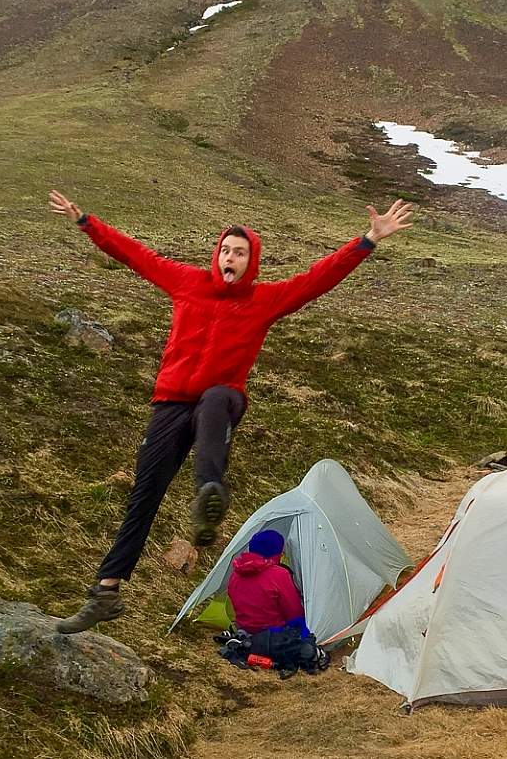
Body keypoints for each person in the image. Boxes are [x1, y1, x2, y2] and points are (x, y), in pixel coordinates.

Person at [47, 189, 413, 633]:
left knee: (217, 395)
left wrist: (367, 241)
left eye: (240, 253)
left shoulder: (265, 300)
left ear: (250, 261)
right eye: (225, 250)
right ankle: (106, 592)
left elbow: (319, 278)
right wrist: (86, 220)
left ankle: (209, 493)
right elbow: (133, 254)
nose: (230, 257)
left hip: (221, 405)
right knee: (143, 496)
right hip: (170, 405)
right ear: (215, 255)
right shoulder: (186, 282)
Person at [224, 529, 328, 677]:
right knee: (303, 632)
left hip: (246, 631)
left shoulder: (235, 573)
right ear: (276, 554)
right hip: (274, 636)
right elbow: (294, 613)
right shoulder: (279, 575)